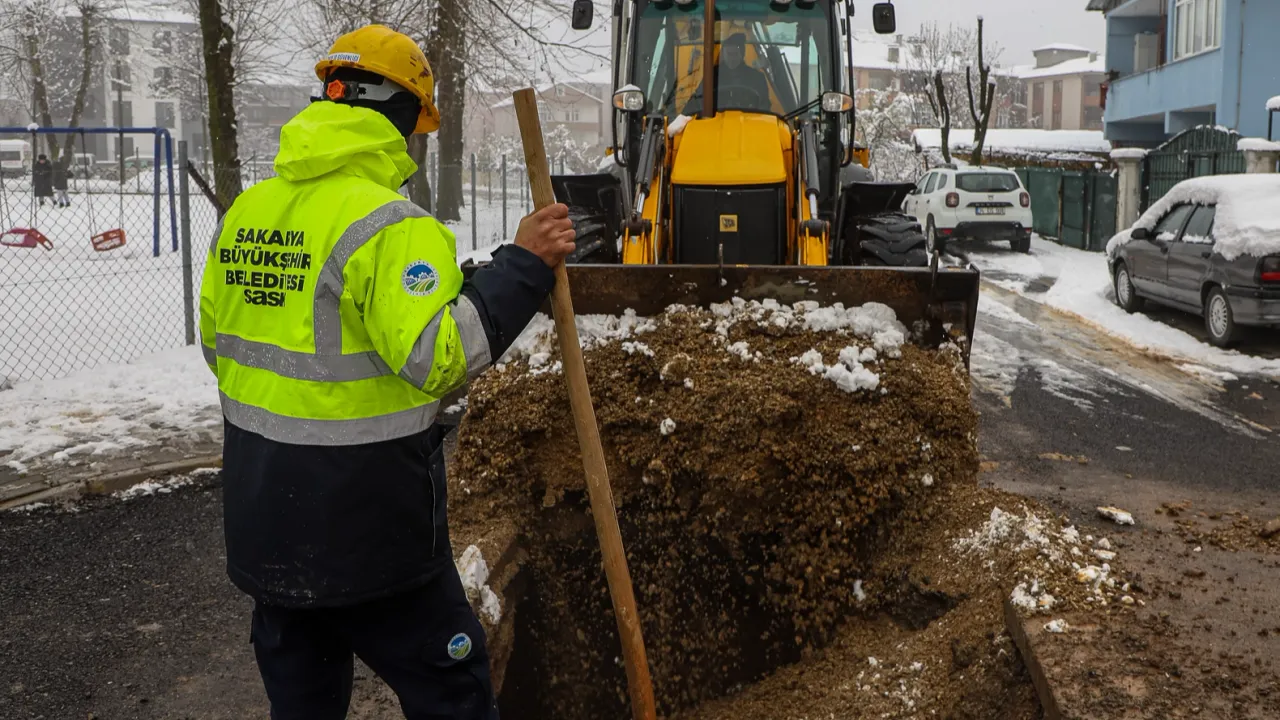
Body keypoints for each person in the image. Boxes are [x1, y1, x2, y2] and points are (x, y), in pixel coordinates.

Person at [197, 24, 575, 720]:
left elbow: (221, 347)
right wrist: (523, 267)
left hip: (267, 531)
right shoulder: (388, 225)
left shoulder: (247, 213)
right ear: (402, 117)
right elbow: (440, 358)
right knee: (453, 696)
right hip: (371, 537)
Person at [716, 33, 771, 111]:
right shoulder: (713, 75)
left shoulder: (757, 77)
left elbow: (764, 105)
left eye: (735, 54)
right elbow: (700, 100)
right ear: (723, 55)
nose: (731, 59)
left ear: (742, 54)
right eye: (729, 54)